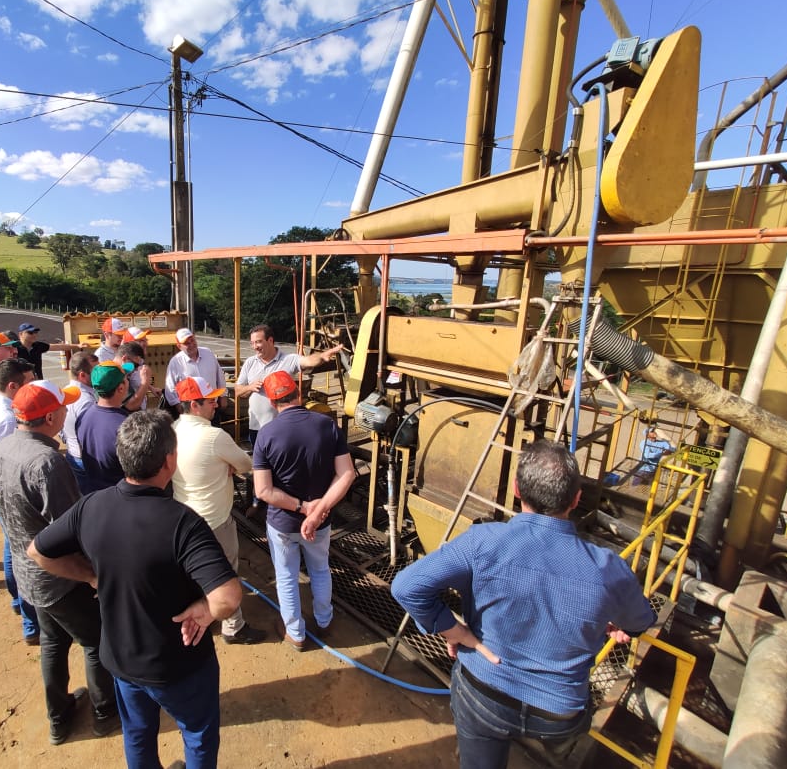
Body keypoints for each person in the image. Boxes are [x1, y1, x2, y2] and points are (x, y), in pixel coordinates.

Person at [391, 440, 657, 768]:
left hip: (484, 692)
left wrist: (453, 631)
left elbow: (407, 586)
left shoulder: (482, 541)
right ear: (576, 499)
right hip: (559, 713)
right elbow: (640, 623)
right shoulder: (609, 569)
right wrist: (608, 618)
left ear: (517, 489)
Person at [28, 410, 241, 769]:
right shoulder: (184, 523)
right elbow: (227, 597)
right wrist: (204, 611)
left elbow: (38, 551)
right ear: (169, 461)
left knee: (138, 733)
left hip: (121, 657)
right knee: (198, 734)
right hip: (180, 663)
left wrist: (89, 576)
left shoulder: (91, 506)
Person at [0, 380, 119, 746]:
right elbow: (69, 528)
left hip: (27, 572)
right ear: (50, 416)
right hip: (61, 575)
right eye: (63, 407)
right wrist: (93, 574)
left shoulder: (4, 446)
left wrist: (16, 506)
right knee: (96, 640)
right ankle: (104, 713)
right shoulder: (48, 462)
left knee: (53, 641)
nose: (68, 411)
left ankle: (59, 718)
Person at [253, 371, 355, 651]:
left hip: (283, 523)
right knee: (320, 569)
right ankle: (324, 620)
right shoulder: (326, 425)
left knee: (286, 575)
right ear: (298, 393)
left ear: (273, 403)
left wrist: (301, 507)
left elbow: (263, 491)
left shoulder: (266, 435)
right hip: (320, 522)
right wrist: (318, 509)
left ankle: (296, 633)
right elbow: (347, 474)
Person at [172, 377, 266, 646]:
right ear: (194, 405)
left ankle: (198, 616)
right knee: (226, 573)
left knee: (192, 572)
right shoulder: (214, 436)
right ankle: (233, 627)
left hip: (184, 517)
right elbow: (246, 463)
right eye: (210, 400)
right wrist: (230, 467)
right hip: (214, 520)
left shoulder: (173, 430)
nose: (217, 404)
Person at [0, 357, 38, 643]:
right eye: (29, 382)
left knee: (12, 547)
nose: (33, 385)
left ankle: (20, 604)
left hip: (4, 488)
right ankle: (30, 620)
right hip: (10, 491)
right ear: (13, 386)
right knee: (20, 553)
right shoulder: (7, 419)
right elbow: (10, 459)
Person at [235, 323, 343, 447]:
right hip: (256, 428)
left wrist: (321, 357)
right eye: (252, 343)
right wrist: (250, 387)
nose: (255, 347)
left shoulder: (288, 360)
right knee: (261, 463)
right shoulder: (250, 362)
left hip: (283, 428)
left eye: (258, 342)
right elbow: (238, 390)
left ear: (270, 340)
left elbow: (308, 361)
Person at [76, 361, 131, 490]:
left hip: (94, 493)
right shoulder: (127, 425)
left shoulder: (83, 417)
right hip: (119, 495)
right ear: (121, 388)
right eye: (126, 379)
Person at [163, 328, 228, 424]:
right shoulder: (175, 362)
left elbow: (219, 375)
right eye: (186, 343)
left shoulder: (208, 353)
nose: (191, 344)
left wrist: (223, 396)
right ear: (179, 346)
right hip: (192, 412)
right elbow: (170, 388)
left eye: (192, 340)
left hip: (212, 407)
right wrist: (180, 407)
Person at [61, 351, 100, 493]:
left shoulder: (65, 392)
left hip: (73, 455)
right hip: (85, 462)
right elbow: (90, 436)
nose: (99, 374)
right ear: (83, 375)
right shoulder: (86, 401)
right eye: (95, 371)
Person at [117, 341, 156, 412]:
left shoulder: (120, 372)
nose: (135, 370)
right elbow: (131, 405)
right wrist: (145, 381)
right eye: (135, 365)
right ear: (125, 359)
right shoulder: (117, 375)